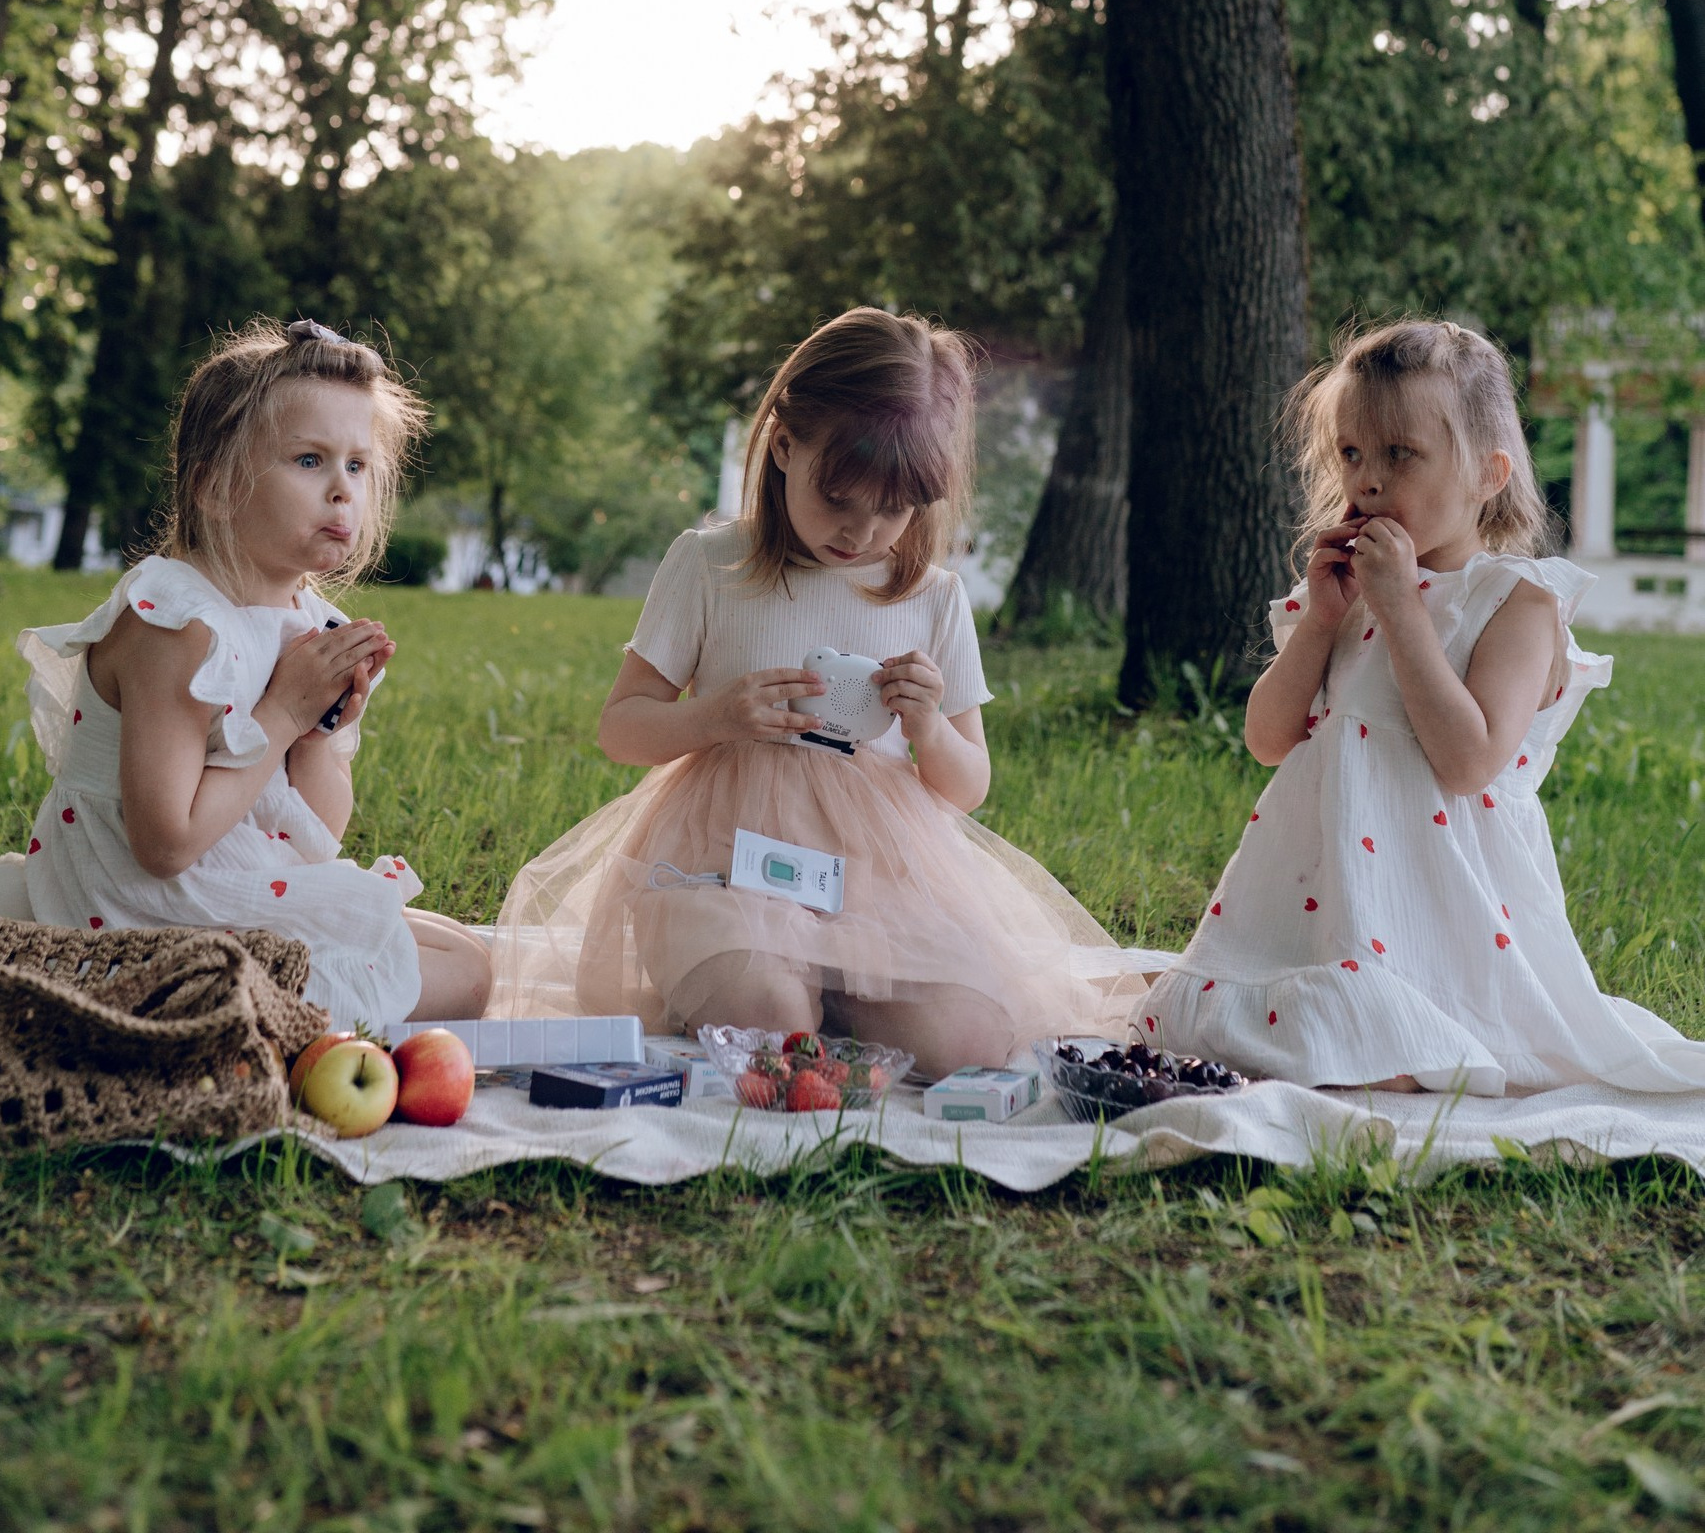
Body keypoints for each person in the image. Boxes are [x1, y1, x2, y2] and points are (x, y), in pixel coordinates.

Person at [492, 308, 1143, 1078]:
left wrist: (928, 726)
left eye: (893, 510)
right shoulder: (713, 565)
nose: (862, 533)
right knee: (769, 1023)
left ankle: (838, 994)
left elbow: (969, 785)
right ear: (783, 444)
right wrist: (716, 716)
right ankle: (778, 987)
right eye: (838, 498)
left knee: (965, 1045)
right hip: (723, 862)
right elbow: (621, 728)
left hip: (875, 877)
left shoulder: (931, 597)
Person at [1141, 317, 1705, 1096]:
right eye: (1350, 454)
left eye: (1399, 454)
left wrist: (1403, 612)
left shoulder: (1514, 602)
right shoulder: (1342, 594)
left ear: (1488, 473)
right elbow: (1268, 739)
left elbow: (1469, 761)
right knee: (1224, 1034)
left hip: (1440, 911)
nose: (1366, 480)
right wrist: (1323, 624)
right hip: (1317, 898)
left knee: (1382, 1055)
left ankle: (1400, 1029)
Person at [20, 319, 490, 1028]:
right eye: (309, 460)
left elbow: (315, 834)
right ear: (213, 487)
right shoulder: (175, 623)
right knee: (460, 976)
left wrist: (318, 735)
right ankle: (187, 1018)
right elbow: (164, 845)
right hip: (136, 905)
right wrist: (280, 714)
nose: (342, 492)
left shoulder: (306, 621)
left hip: (229, 879)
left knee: (463, 949)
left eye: (357, 466)